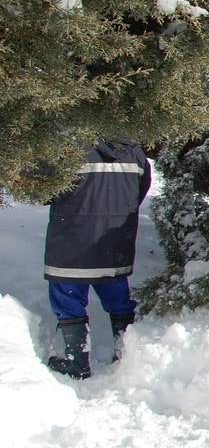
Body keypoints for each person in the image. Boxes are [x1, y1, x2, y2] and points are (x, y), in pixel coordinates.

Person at [43, 140, 152, 379]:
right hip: (114, 244)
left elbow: (43, 190)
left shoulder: (68, 146)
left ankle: (77, 361)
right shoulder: (134, 152)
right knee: (118, 300)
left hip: (71, 243)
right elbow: (140, 190)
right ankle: (124, 355)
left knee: (68, 301)